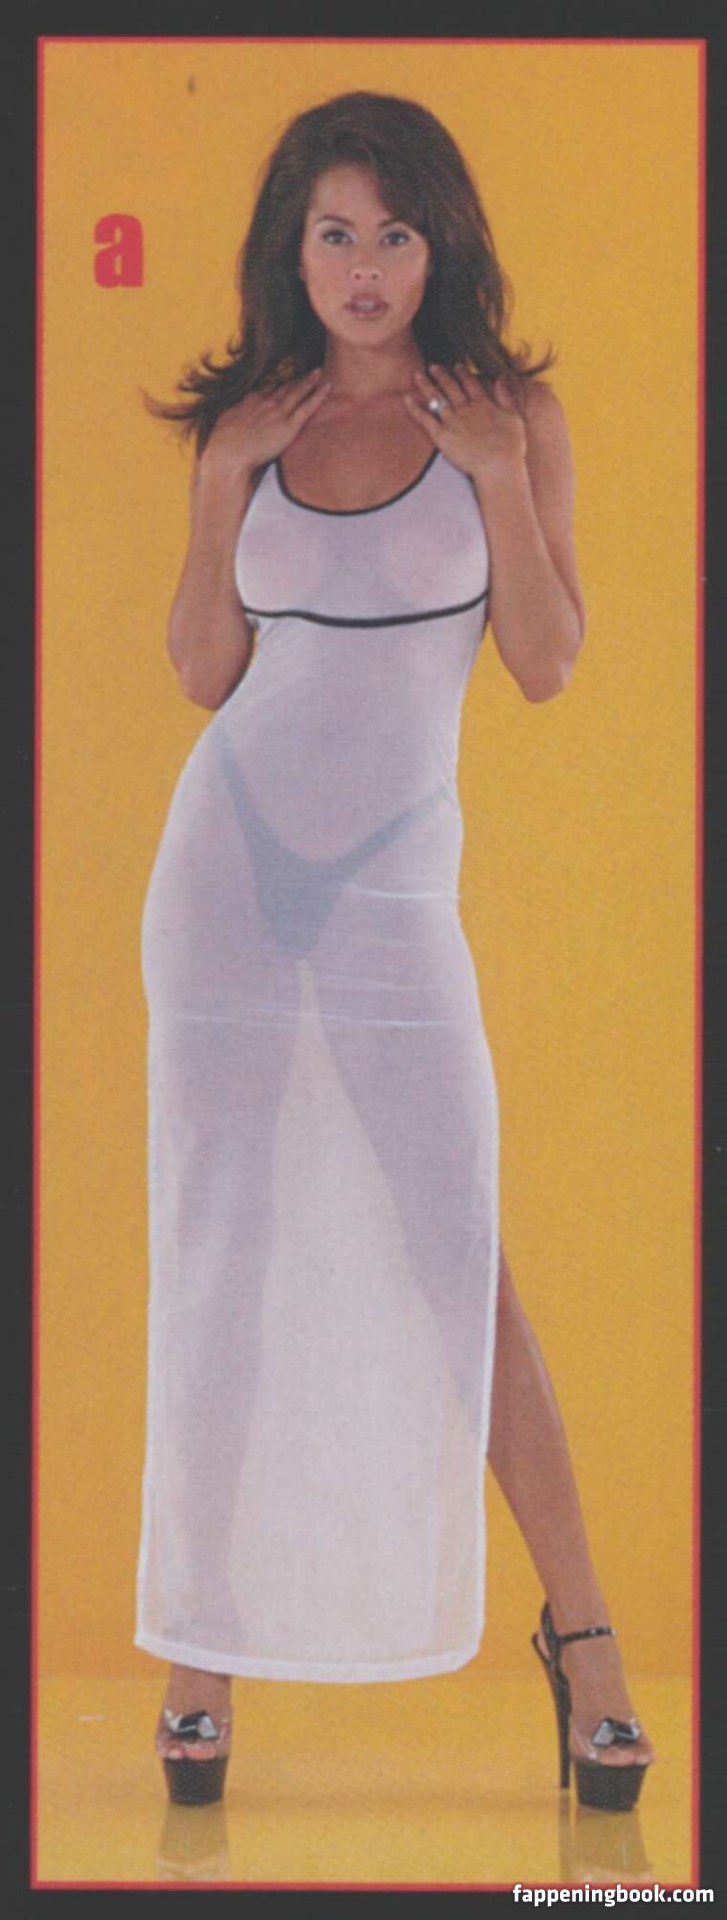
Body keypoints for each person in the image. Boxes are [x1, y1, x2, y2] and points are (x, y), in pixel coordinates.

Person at [135, 89, 655, 1815]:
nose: (364, 265)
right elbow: (204, 671)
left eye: (395, 232)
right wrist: (219, 486)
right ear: (292, 252)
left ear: (444, 244)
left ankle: (586, 1644)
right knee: (223, 1255)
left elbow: (548, 662)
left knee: (461, 1260)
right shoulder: (251, 421)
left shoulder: (506, 416)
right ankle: (199, 1659)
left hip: (388, 896)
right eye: (334, 233)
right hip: (226, 881)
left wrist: (500, 482)